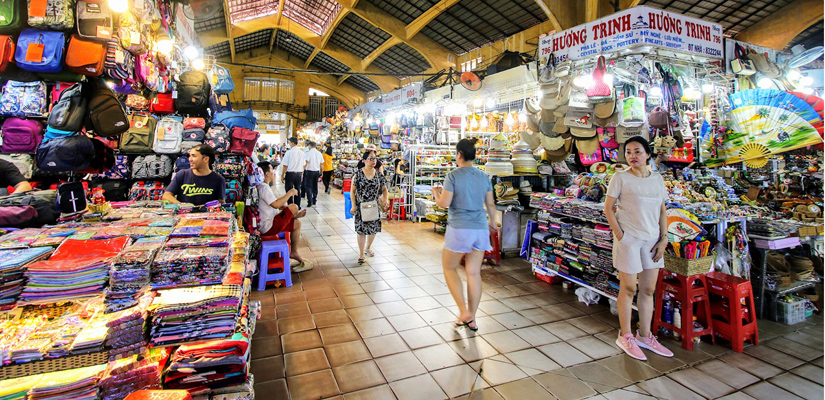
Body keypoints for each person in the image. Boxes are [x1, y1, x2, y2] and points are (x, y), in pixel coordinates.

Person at [604, 136, 673, 361]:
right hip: (630, 239)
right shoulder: (620, 177)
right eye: (629, 152)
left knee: (648, 290)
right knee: (628, 289)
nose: (633, 156)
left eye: (637, 151)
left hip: (652, 240)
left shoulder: (657, 179)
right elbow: (608, 207)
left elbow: (662, 210)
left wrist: (664, 238)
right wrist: (620, 234)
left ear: (648, 154)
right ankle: (625, 336)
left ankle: (645, 335)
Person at [430, 138, 496, 332]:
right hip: (480, 228)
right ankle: (472, 318)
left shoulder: (453, 176)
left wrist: (435, 193)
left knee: (449, 268)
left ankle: (463, 311)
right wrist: (493, 222)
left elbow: (444, 203)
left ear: (459, 154)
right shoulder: (484, 177)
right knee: (474, 272)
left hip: (459, 228)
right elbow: (490, 204)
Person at [257, 162, 313, 272]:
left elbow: (277, 205)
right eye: (272, 170)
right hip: (268, 227)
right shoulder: (263, 188)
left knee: (296, 223)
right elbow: (276, 204)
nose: (274, 173)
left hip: (270, 222)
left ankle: (294, 252)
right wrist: (290, 193)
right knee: (293, 206)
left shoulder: (263, 187)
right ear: (267, 174)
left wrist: (292, 215)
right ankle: (294, 215)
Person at [350, 149, 389, 264]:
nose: (373, 161)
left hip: (374, 205)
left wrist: (385, 200)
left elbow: (384, 189)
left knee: (373, 229)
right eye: (371, 158)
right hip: (361, 205)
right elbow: (352, 191)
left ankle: (368, 247)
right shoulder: (357, 174)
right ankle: (362, 253)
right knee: (361, 230)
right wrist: (353, 206)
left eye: (375, 159)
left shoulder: (378, 175)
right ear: (364, 160)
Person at [279, 137, 305, 208]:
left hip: (290, 174)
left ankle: (290, 206)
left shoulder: (289, 152)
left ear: (292, 143)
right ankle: (297, 206)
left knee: (289, 190)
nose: (289, 144)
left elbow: (285, 165)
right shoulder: (302, 152)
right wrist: (301, 174)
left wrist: (282, 175)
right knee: (298, 190)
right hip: (298, 174)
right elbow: (303, 165)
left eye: (289, 142)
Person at [303, 141, 324, 207]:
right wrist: (321, 172)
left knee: (308, 186)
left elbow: (306, 163)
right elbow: (321, 164)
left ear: (310, 146)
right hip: (316, 172)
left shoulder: (308, 153)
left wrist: (302, 170)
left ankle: (310, 201)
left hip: (309, 172)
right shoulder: (319, 153)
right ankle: (314, 199)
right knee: (315, 186)